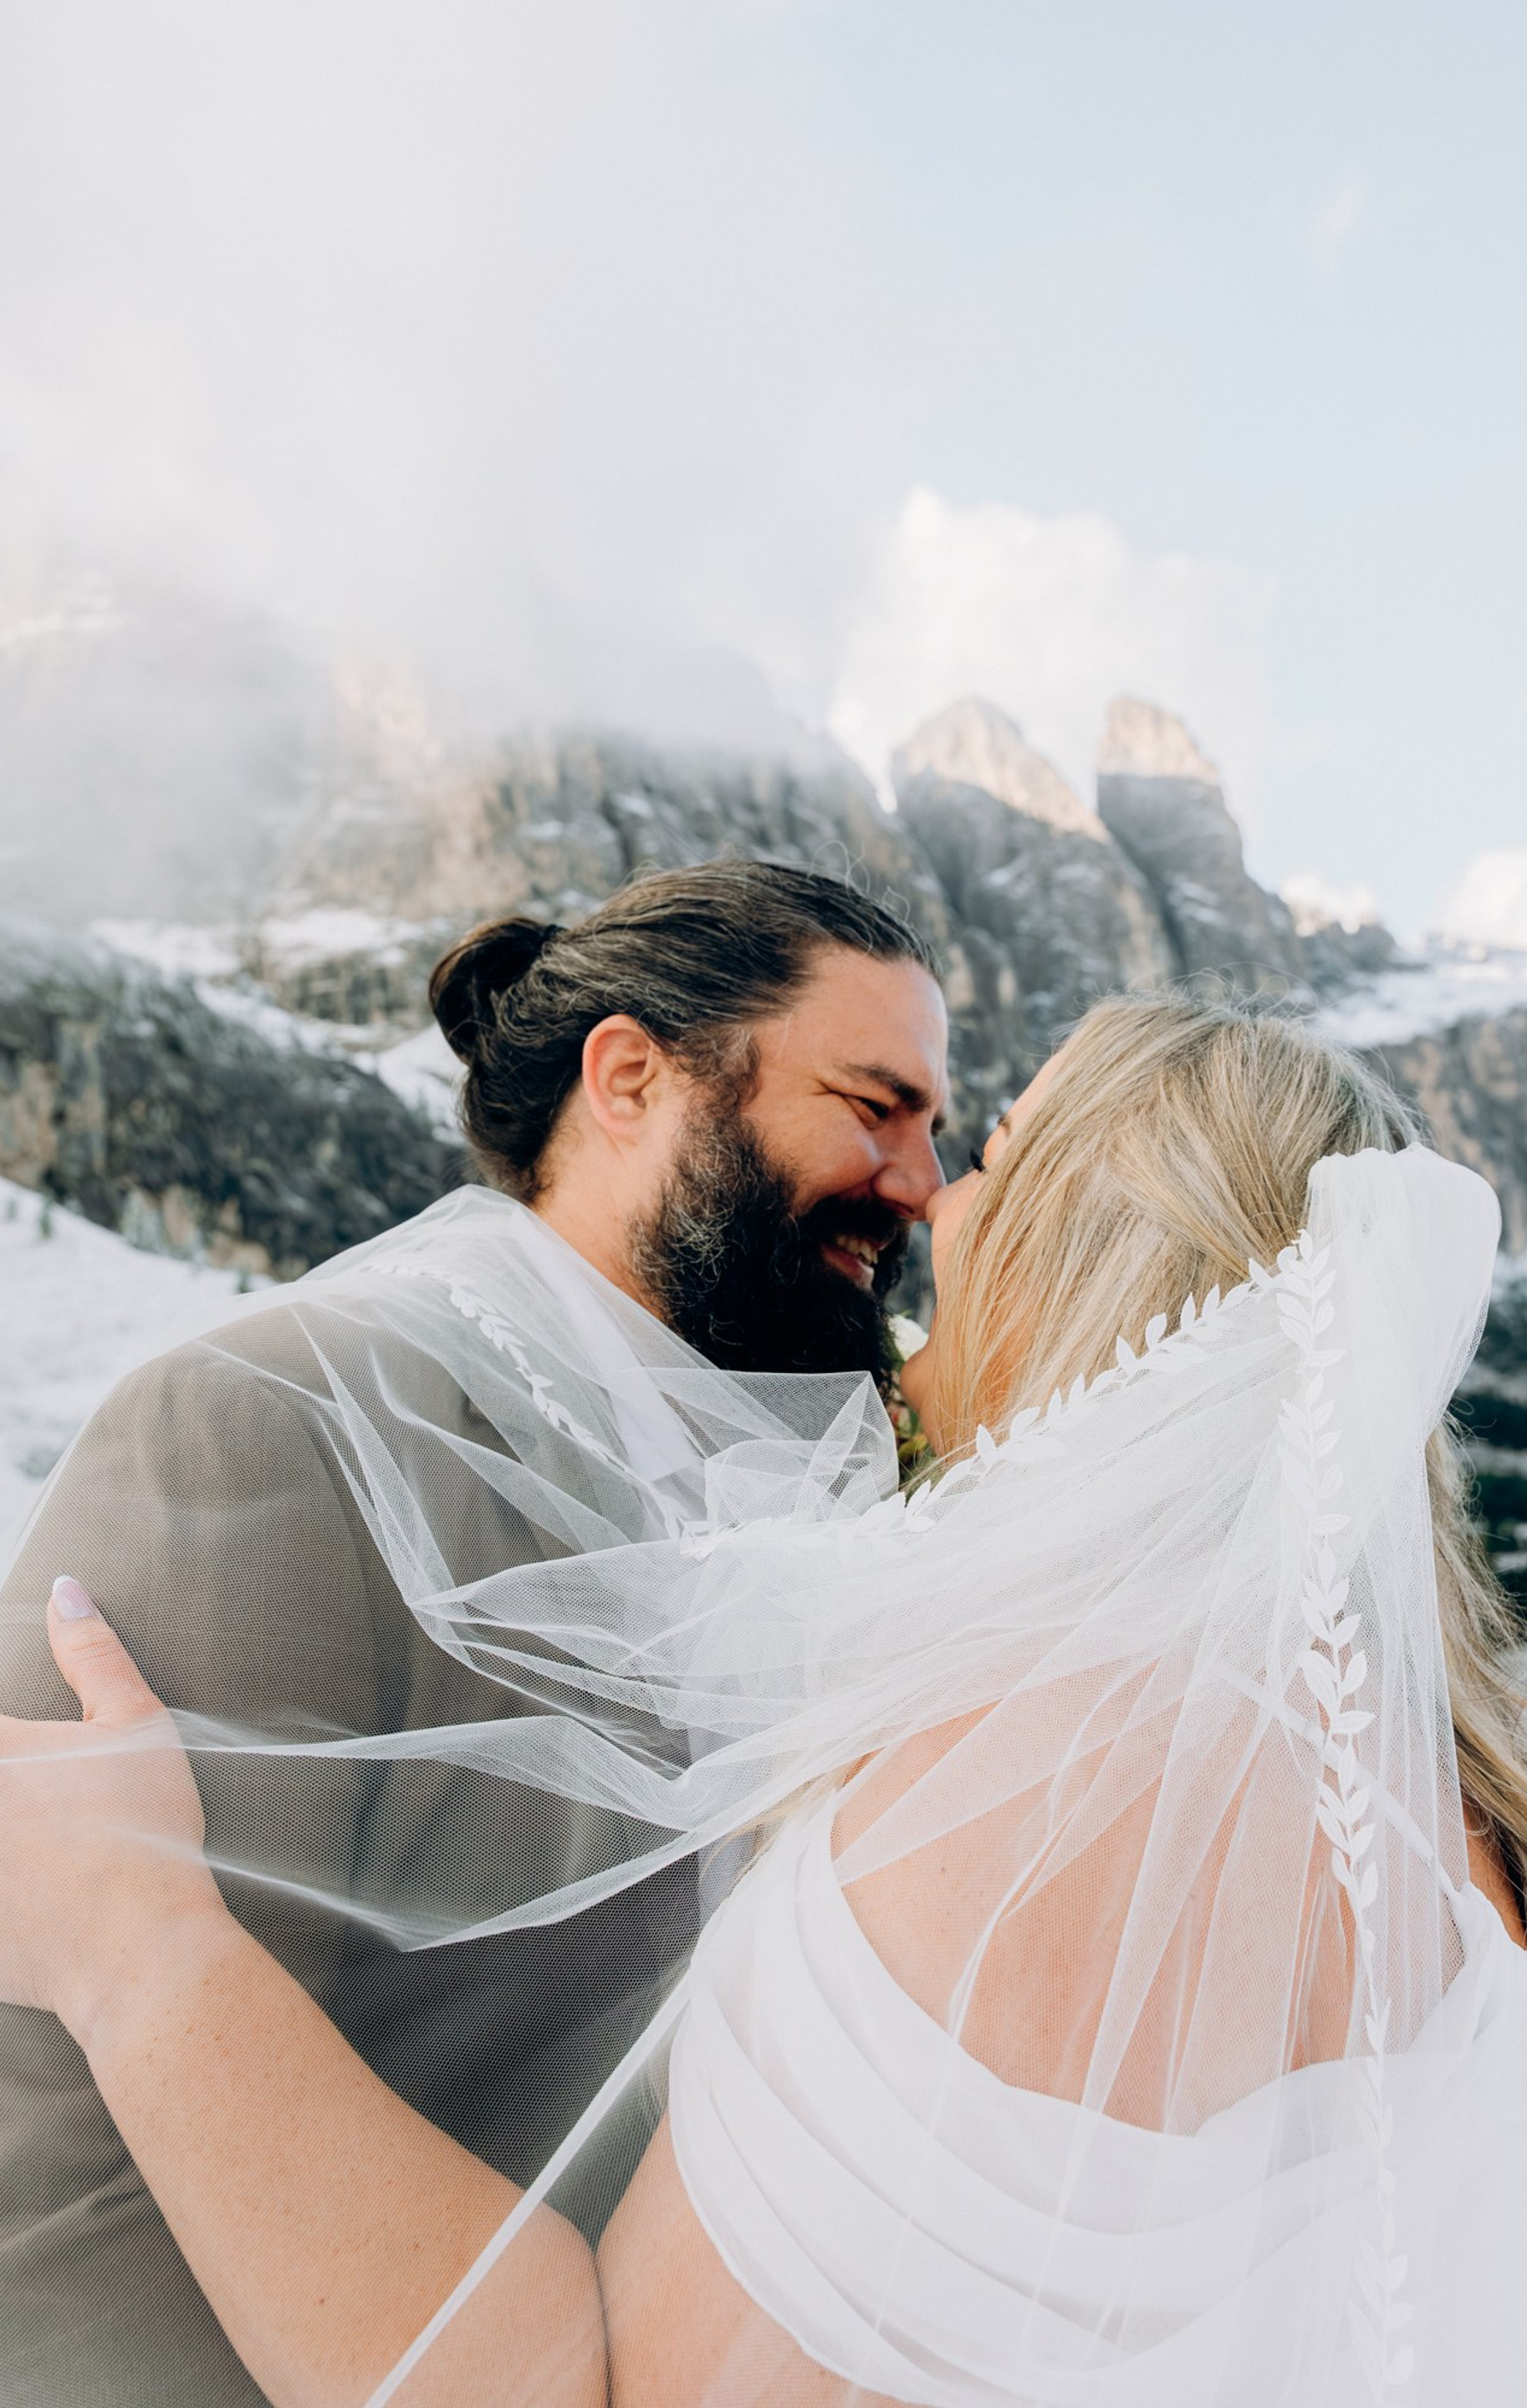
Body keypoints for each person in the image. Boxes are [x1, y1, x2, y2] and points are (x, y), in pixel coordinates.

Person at [1, 994, 1527, 2407]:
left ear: (1086, 1256)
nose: (937, 1208)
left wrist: (141, 1945)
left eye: (993, 1162)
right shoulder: (1457, 1828)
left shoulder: (1050, 1777)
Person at [0, 860, 949, 2407]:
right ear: (630, 1078)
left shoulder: (795, 1508)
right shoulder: (255, 1427)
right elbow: (58, 2133)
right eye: (874, 1106)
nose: (919, 1182)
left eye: (933, 1127)